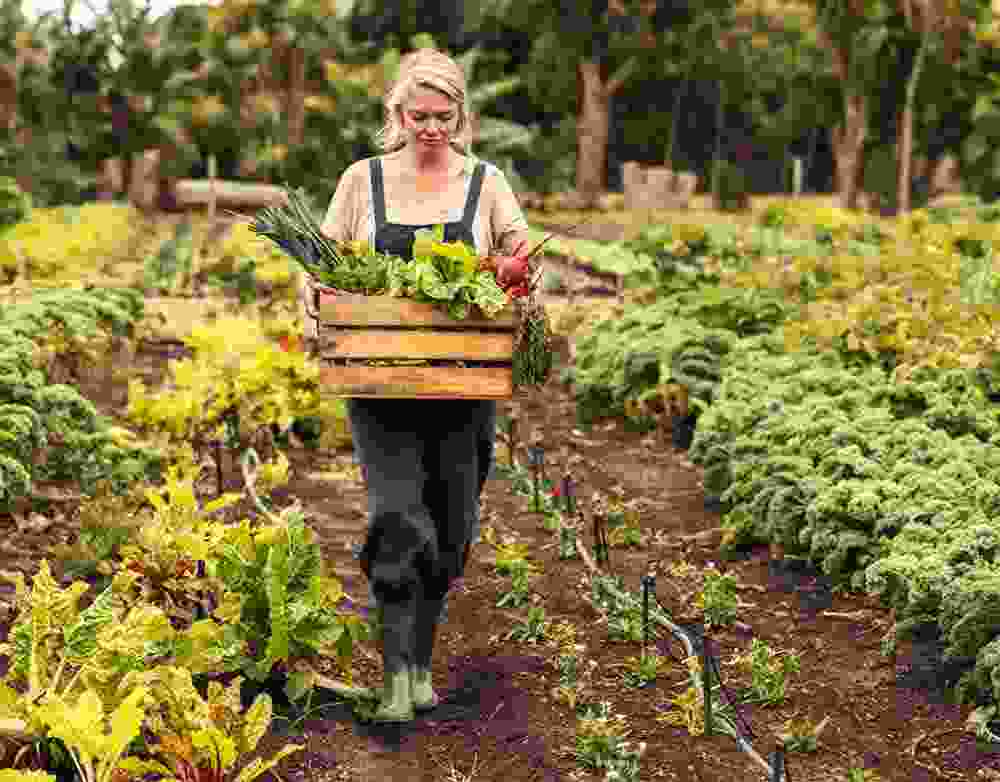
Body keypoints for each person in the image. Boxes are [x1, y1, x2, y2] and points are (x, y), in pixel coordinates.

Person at [303, 47, 535, 723]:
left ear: (462, 115)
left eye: (443, 116)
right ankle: (396, 675)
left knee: (452, 527)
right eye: (418, 115)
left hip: (464, 386)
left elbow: (521, 254)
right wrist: (318, 290)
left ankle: (422, 662)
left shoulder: (486, 183)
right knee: (398, 517)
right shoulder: (361, 181)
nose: (431, 128)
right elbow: (320, 263)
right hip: (379, 383)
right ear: (397, 114)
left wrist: (522, 277)